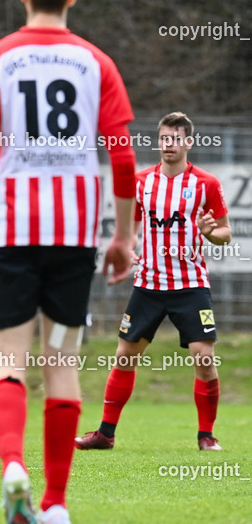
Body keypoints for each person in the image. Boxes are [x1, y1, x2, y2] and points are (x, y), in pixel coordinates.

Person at [0, 0, 137, 524]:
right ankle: (56, 505)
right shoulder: (97, 64)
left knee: (8, 356)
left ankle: (14, 468)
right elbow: (122, 155)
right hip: (73, 234)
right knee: (62, 362)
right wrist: (124, 236)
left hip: (13, 230)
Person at [76, 112, 230, 453]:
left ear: (189, 142)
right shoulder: (141, 182)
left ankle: (206, 436)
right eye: (163, 138)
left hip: (190, 285)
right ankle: (105, 433)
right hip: (149, 284)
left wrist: (210, 233)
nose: (168, 144)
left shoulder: (206, 184)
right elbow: (129, 231)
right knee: (125, 356)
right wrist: (129, 250)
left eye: (175, 139)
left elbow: (225, 232)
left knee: (204, 357)